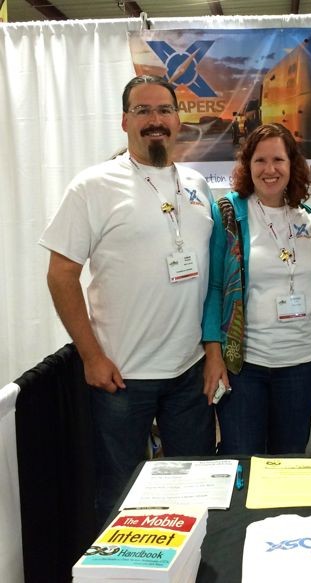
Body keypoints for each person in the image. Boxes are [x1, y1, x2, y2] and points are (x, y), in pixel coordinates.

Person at [39, 75, 216, 524]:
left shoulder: (197, 184)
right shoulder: (93, 186)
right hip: (122, 377)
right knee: (120, 501)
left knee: (195, 493)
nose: (155, 120)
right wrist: (91, 356)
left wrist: (211, 352)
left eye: (164, 110)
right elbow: (61, 275)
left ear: (178, 120)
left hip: (188, 372)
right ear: (124, 121)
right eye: (143, 110)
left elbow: (211, 275)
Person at [202, 123, 311, 455]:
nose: (270, 169)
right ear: (248, 165)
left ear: (292, 164)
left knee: (290, 463)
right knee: (243, 459)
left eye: (278, 160)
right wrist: (213, 355)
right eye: (260, 160)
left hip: (301, 365)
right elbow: (214, 288)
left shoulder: (307, 218)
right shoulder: (229, 213)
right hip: (245, 368)